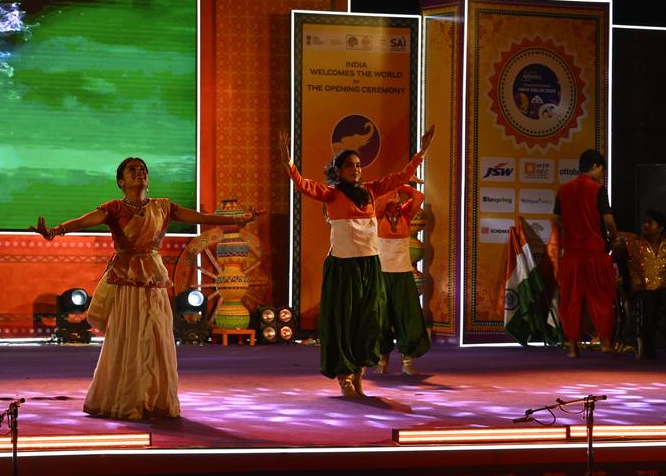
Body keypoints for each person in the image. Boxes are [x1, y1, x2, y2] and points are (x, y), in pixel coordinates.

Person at [30, 157, 255, 420]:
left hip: (153, 279)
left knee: (157, 336)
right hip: (127, 280)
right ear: (120, 182)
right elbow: (82, 222)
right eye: (132, 170)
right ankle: (128, 399)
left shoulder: (163, 207)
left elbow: (201, 218)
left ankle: (155, 400)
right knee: (131, 336)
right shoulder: (113, 208)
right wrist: (56, 230)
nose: (139, 173)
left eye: (143, 170)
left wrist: (235, 221)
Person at [278, 126, 434, 397]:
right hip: (344, 266)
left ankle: (359, 376)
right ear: (338, 170)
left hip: (370, 266)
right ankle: (344, 377)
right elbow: (303, 184)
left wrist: (421, 152)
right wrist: (288, 160)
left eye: (359, 165)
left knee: (369, 322)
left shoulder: (372, 191)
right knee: (345, 323)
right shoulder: (332, 193)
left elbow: (401, 176)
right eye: (349, 165)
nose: (356, 169)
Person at [553, 149, 618, 357]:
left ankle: (572, 347)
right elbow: (608, 221)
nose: (602, 175)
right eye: (602, 170)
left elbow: (557, 220)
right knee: (601, 298)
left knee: (570, 300)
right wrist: (614, 237)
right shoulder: (598, 189)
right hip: (594, 254)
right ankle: (606, 343)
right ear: (596, 167)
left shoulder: (563, 190)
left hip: (571, 255)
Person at [374, 183, 430, 375]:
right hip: (381, 274)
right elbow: (377, 203)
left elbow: (419, 196)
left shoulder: (406, 215)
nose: (395, 197)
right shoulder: (378, 214)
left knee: (408, 318)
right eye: (392, 194)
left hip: (403, 274)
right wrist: (390, 189)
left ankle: (407, 361)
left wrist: (401, 184)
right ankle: (382, 358)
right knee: (381, 319)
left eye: (398, 195)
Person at [615, 210, 666, 359]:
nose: (645, 225)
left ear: (661, 228)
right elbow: (618, 262)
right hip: (641, 289)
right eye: (644, 222)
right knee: (648, 299)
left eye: (650, 222)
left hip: (663, 288)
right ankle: (647, 344)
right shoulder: (632, 244)